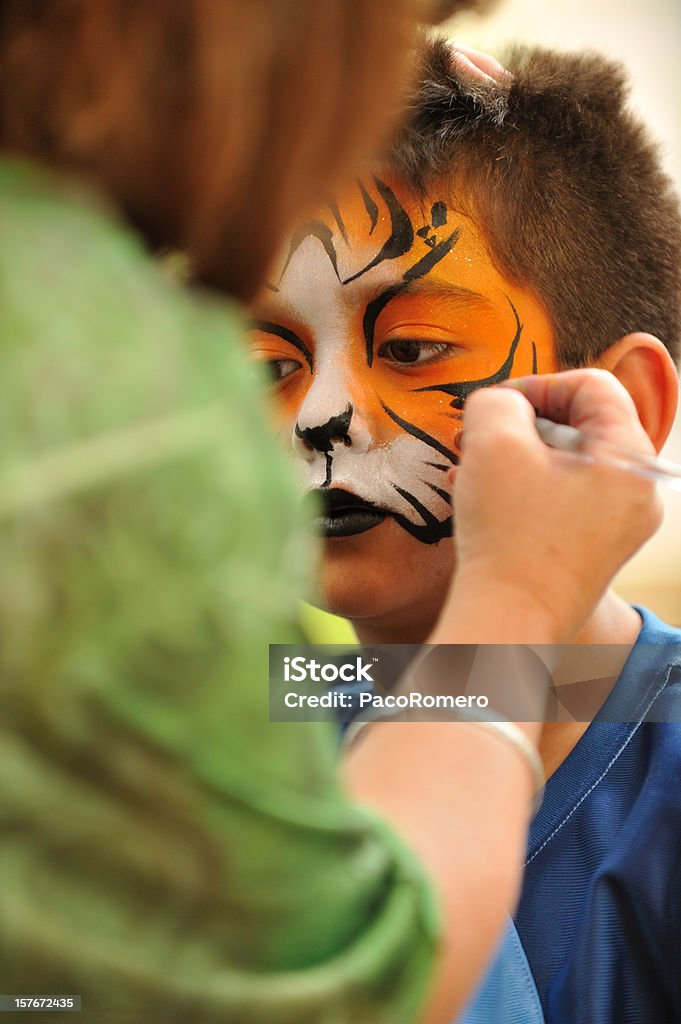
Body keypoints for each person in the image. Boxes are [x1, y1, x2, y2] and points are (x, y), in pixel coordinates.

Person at [248, 38, 681, 1023]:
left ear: (620, 407)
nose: (318, 413)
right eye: (268, 363)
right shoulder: (237, 752)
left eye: (410, 347)